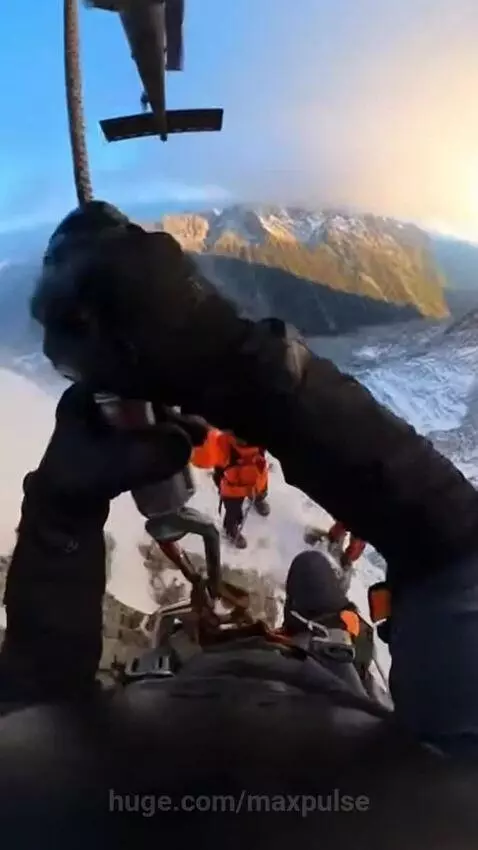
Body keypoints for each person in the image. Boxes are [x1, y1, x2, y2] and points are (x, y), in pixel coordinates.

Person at [5, 200, 477, 846]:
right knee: (315, 577)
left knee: (302, 564)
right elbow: (453, 545)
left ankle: (322, 627)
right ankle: (325, 629)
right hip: (326, 694)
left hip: (231, 708)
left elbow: (452, 548)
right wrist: (240, 367)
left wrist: (60, 511)